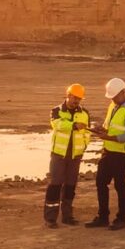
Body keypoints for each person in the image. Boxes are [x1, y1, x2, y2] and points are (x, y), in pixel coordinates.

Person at [85, 78, 125, 231]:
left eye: (114, 96)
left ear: (123, 92)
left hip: (121, 154)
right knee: (101, 182)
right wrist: (102, 130)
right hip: (108, 151)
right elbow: (111, 127)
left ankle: (121, 218)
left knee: (120, 185)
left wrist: (108, 137)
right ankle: (103, 217)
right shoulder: (112, 106)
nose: (112, 99)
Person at [44, 84, 91, 228]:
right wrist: (73, 125)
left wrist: (84, 146)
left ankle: (67, 216)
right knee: (55, 185)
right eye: (74, 97)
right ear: (68, 95)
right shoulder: (56, 111)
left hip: (75, 156)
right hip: (59, 154)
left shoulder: (84, 113)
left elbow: (87, 133)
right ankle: (50, 218)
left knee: (70, 186)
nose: (76, 101)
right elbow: (57, 125)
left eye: (79, 99)